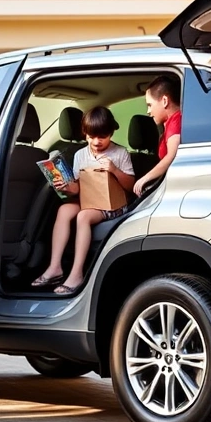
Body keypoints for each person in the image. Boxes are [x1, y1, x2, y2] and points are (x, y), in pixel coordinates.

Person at [32, 106, 135, 294]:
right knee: (63, 210)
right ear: (85, 133)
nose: (96, 142)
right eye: (91, 136)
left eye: (102, 136)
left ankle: (77, 274)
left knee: (83, 216)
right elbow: (80, 187)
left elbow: (130, 186)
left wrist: (114, 170)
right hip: (89, 198)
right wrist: (70, 188)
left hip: (114, 204)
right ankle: (55, 267)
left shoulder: (120, 153)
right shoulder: (81, 154)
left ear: (111, 133)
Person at [134, 74, 181, 196]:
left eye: (150, 105)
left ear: (165, 101)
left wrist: (145, 179)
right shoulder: (170, 123)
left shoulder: (176, 121)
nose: (148, 111)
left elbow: (172, 156)